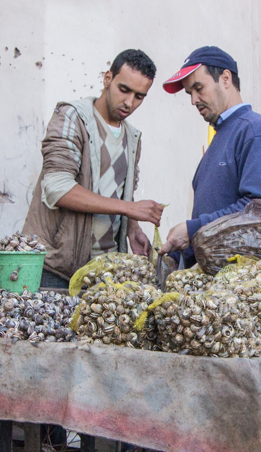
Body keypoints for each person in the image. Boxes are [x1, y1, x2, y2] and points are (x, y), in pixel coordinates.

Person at [159, 46, 261, 452]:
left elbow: (259, 211)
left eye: (198, 87)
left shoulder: (255, 132)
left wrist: (191, 230)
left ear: (226, 78)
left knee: (255, 393)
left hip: (247, 291)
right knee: (232, 393)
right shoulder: (224, 135)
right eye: (189, 92)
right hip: (220, 288)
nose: (193, 99)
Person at [21, 49, 165, 288]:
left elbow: (117, 193)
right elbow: (57, 188)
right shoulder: (72, 118)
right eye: (124, 89)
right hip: (56, 266)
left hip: (104, 272)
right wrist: (130, 209)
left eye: (139, 96)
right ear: (107, 78)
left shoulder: (132, 137)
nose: (129, 102)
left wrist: (132, 227)